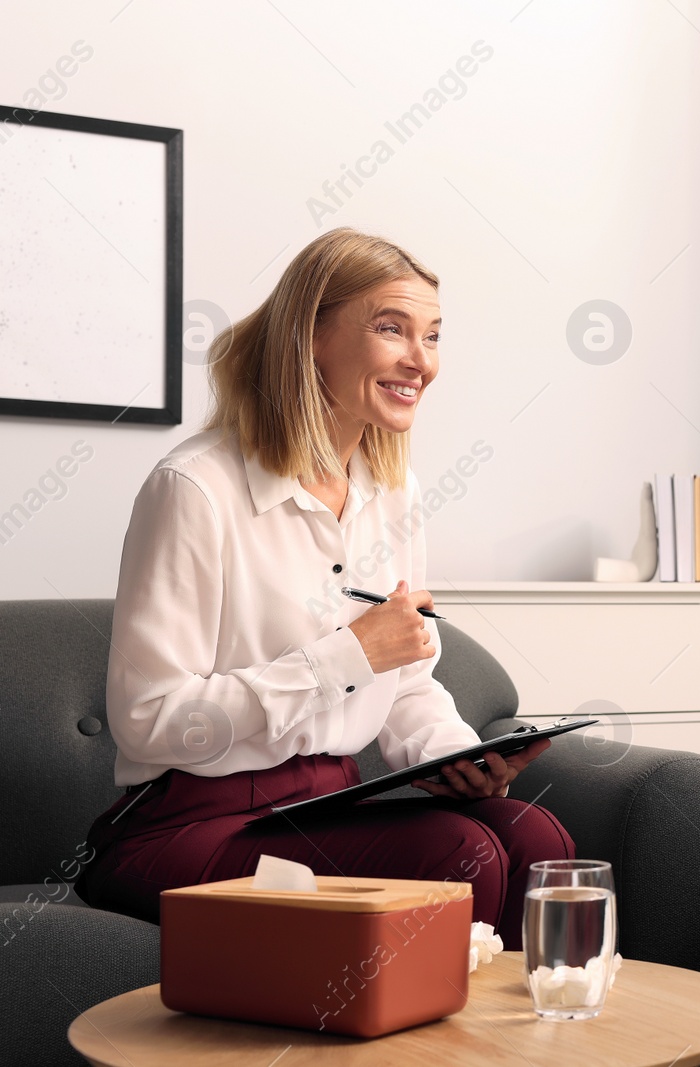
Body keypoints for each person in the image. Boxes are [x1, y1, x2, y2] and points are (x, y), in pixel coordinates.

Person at [75, 229, 571, 948]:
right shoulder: (195, 489)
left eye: (432, 335)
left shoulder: (394, 493)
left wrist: (459, 756)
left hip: (324, 808)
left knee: (532, 834)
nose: (420, 361)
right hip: (188, 829)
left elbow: (404, 684)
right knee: (460, 858)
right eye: (390, 328)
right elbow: (151, 719)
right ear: (312, 336)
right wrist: (343, 658)